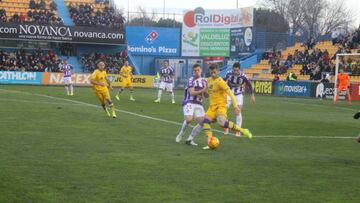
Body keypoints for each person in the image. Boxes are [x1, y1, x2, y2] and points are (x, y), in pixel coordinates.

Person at [202, 64, 253, 150]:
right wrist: (204, 93)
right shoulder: (209, 80)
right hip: (212, 107)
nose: (213, 74)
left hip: (221, 106)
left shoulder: (221, 82)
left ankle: (243, 130)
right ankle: (209, 142)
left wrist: (236, 106)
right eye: (211, 73)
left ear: (218, 71)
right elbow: (207, 95)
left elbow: (230, 93)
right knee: (205, 121)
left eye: (214, 72)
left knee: (222, 123)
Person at [176, 64, 207, 146]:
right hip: (189, 101)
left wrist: (207, 91)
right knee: (189, 120)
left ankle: (190, 139)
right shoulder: (191, 80)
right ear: (193, 71)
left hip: (199, 103)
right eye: (195, 70)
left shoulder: (204, 81)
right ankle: (181, 133)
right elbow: (192, 93)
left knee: (203, 123)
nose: (197, 72)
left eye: (198, 70)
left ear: (201, 70)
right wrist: (203, 90)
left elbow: (206, 96)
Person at [223, 62, 255, 137]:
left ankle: (238, 131)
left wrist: (252, 95)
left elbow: (249, 85)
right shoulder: (228, 73)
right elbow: (223, 81)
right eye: (234, 70)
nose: (235, 72)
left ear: (239, 70)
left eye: (237, 70)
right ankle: (226, 126)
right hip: (229, 93)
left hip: (238, 95)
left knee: (237, 112)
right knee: (223, 110)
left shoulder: (244, 76)